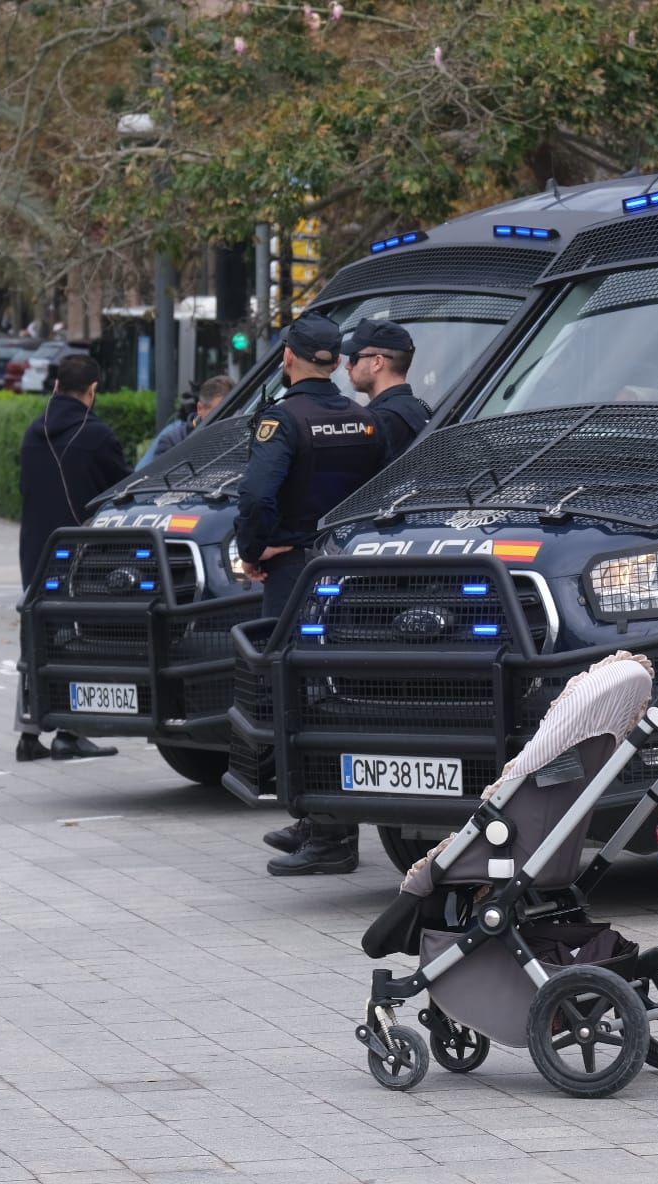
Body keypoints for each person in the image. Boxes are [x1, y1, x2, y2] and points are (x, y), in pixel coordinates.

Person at [236, 308, 385, 876]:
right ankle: (318, 820)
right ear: (338, 362)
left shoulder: (282, 421)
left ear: (289, 358)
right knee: (337, 692)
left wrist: (256, 549)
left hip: (296, 574)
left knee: (300, 696)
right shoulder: (364, 420)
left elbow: (256, 497)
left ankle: (330, 836)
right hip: (352, 573)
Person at [15, 354, 132, 762]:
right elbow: (119, 495)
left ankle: (29, 733)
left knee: (36, 636)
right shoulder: (97, 436)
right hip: (83, 559)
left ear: (55, 386)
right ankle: (72, 730)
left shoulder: (34, 433)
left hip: (35, 551)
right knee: (79, 639)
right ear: (93, 390)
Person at [343, 318, 430, 460]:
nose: (348, 366)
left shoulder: (380, 421)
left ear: (377, 362)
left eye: (354, 358)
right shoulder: (420, 410)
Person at [139, 374, 231, 469]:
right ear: (200, 408)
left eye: (232, 411)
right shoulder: (173, 442)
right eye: (220, 411)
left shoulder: (239, 439)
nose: (228, 417)